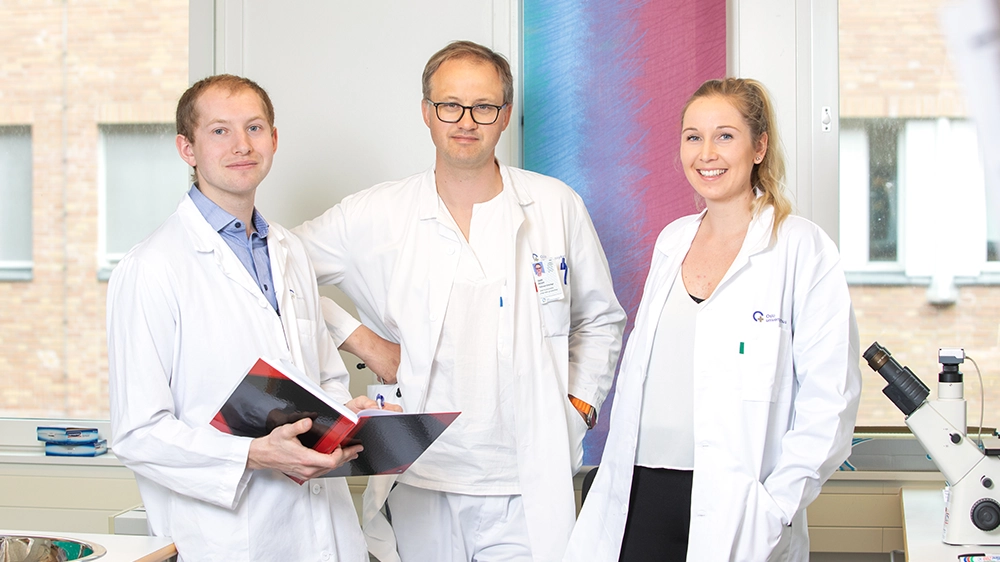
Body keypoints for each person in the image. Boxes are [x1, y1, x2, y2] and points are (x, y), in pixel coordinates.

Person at [294, 41, 626, 562]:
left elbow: (601, 320)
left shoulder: (555, 206)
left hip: (526, 478)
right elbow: (275, 266)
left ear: (506, 116)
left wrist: (579, 407)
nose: (466, 121)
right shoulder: (378, 213)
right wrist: (362, 341)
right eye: (449, 105)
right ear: (426, 112)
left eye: (484, 107)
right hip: (423, 472)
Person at [564, 78, 862, 561]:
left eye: (725, 135)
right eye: (692, 136)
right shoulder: (672, 240)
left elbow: (831, 401)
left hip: (739, 511)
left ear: (759, 146)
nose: (706, 153)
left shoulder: (802, 249)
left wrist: (776, 507)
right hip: (639, 494)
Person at [107, 74, 398, 561]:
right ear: (187, 148)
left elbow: (321, 381)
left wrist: (350, 416)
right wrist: (252, 454)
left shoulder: (290, 253)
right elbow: (137, 433)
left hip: (323, 532)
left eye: (255, 128)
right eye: (220, 131)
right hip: (228, 539)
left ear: (274, 140)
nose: (241, 145)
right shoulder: (152, 268)